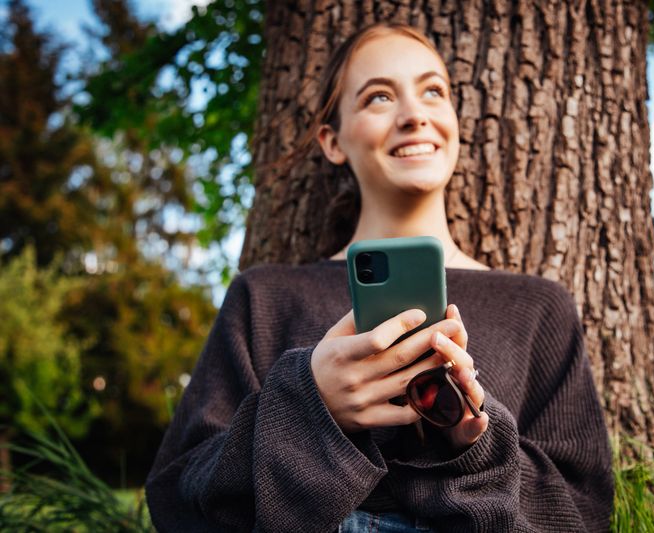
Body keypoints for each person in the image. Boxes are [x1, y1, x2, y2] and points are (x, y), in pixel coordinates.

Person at [145, 22, 613, 533]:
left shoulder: (538, 307)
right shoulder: (263, 296)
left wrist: (475, 447)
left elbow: (582, 510)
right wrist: (310, 408)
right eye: (379, 98)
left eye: (433, 91)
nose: (415, 115)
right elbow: (178, 498)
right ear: (333, 141)